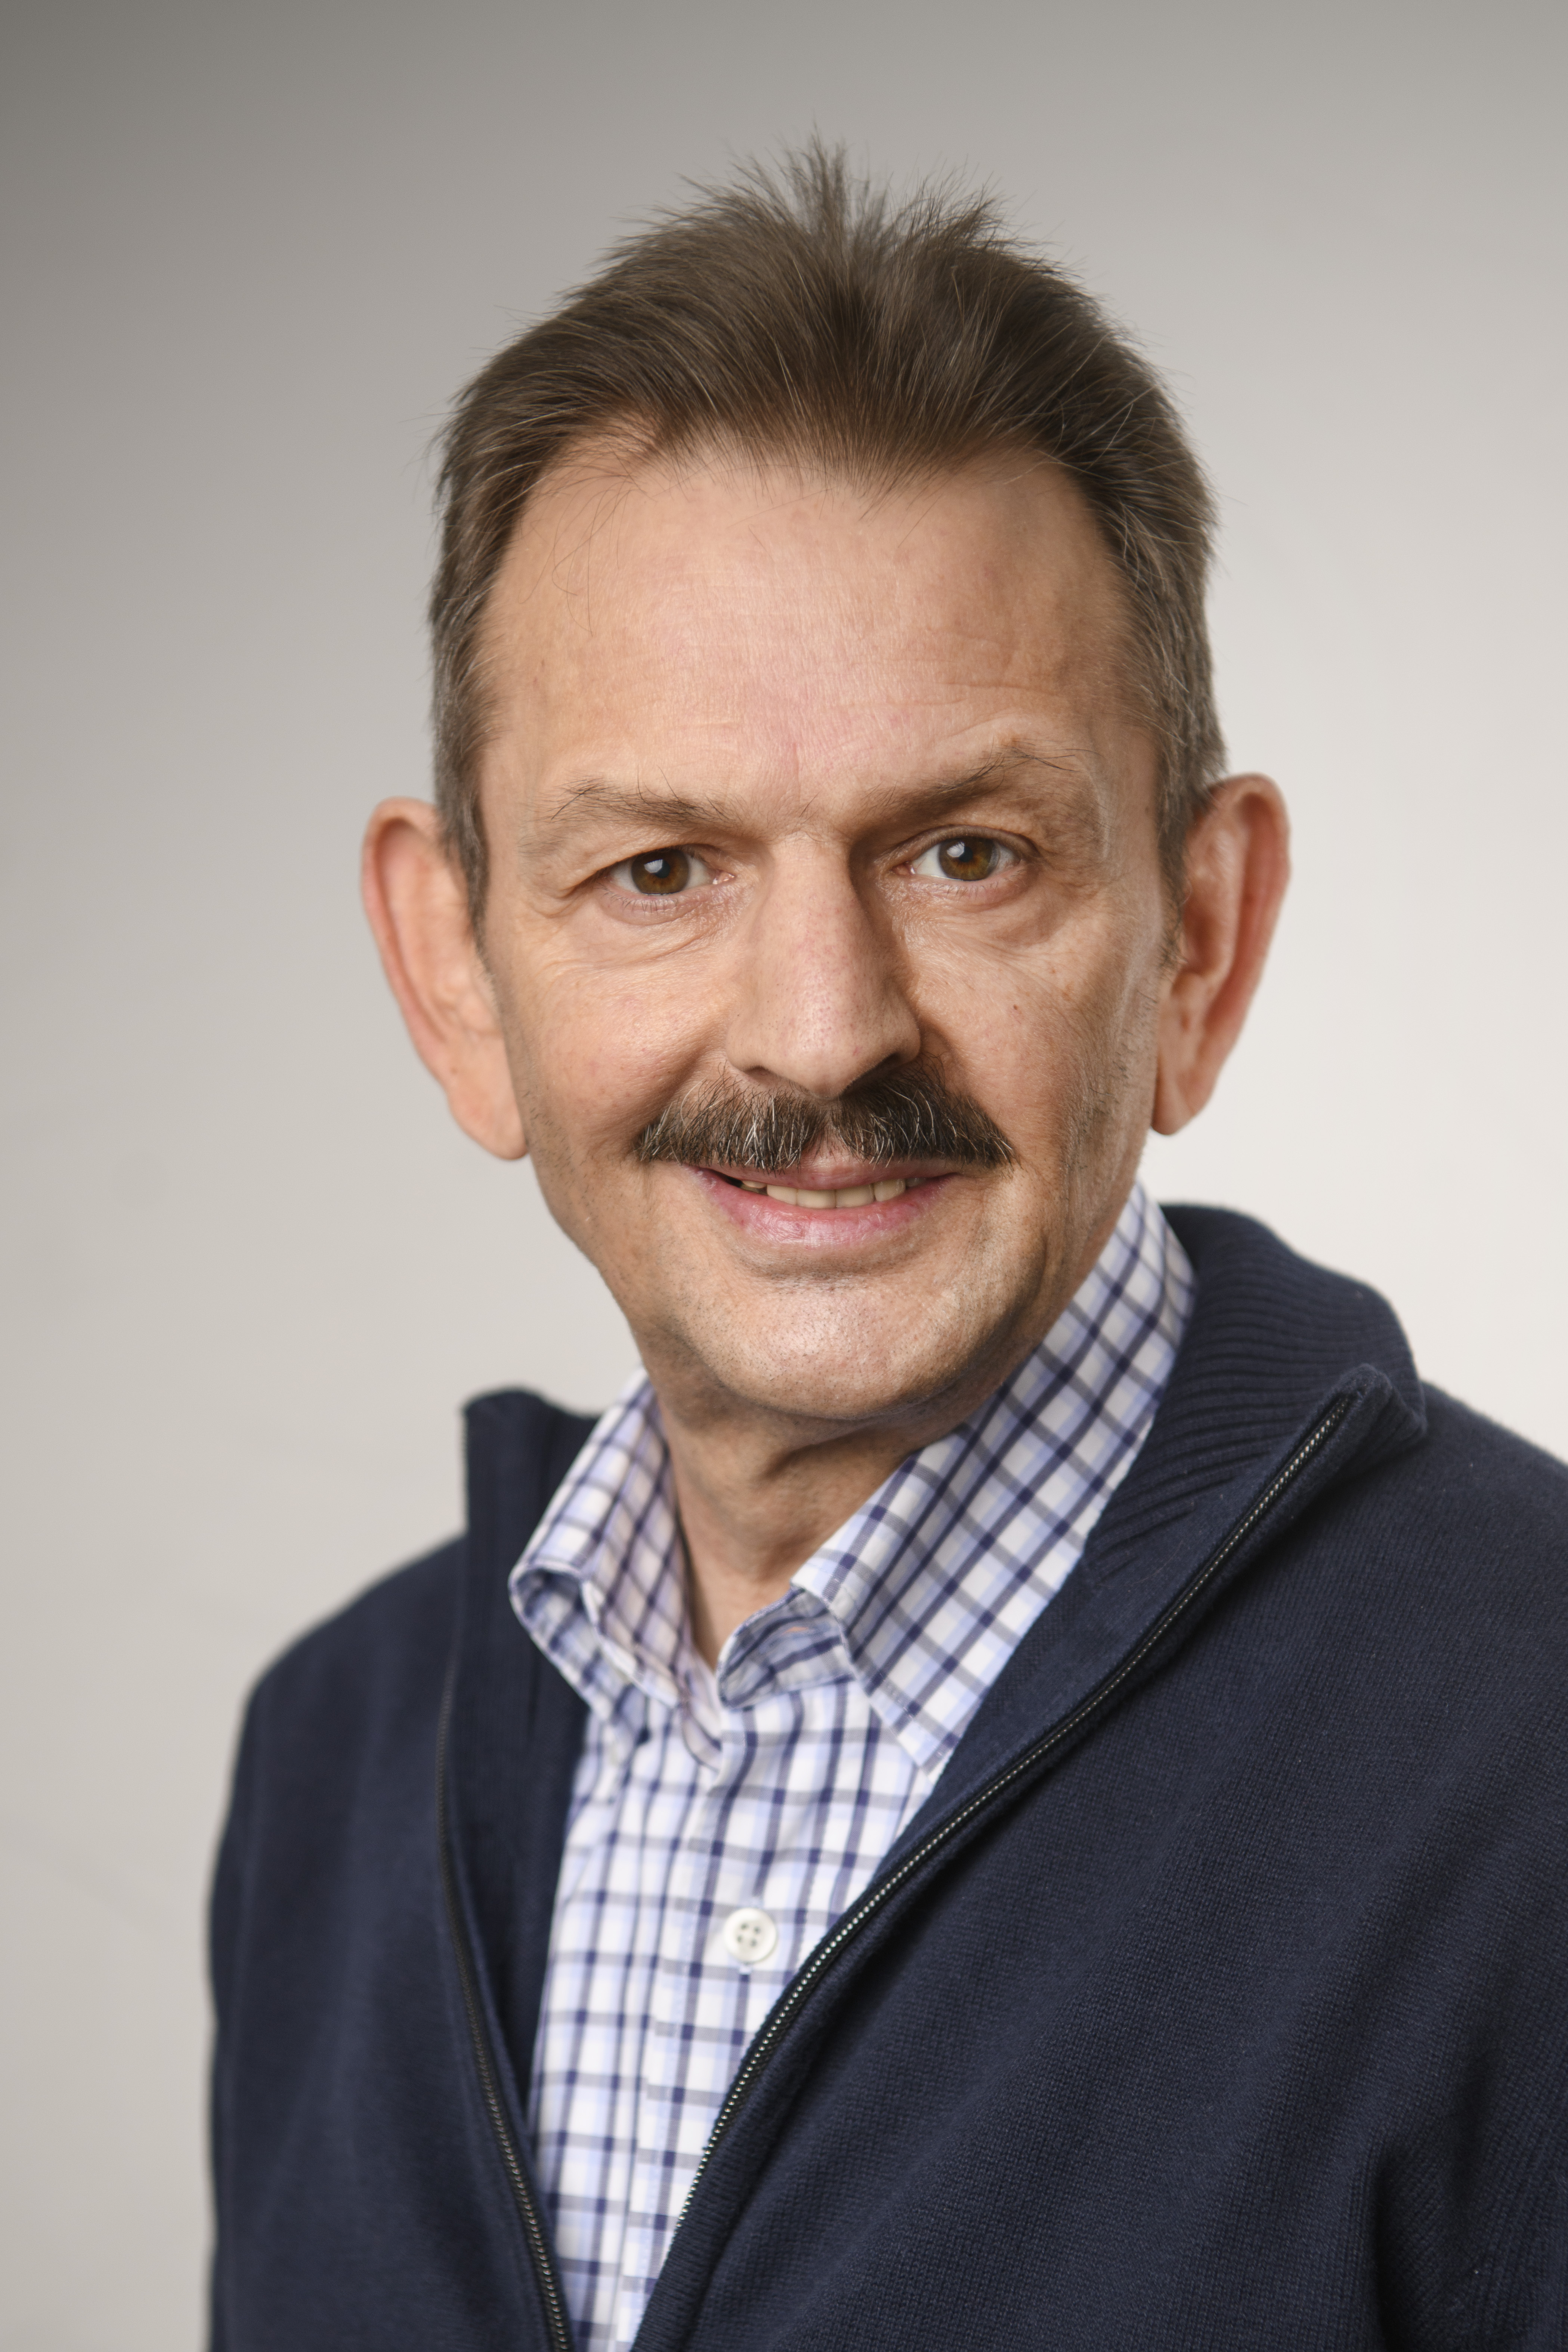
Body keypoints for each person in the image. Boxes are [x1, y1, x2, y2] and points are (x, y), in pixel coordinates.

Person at [208, 149, 1568, 2352]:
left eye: (964, 852)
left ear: (1197, 940)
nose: (823, 1028)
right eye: (661, 870)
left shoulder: (1533, 1756)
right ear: (454, 972)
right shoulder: (331, 1761)